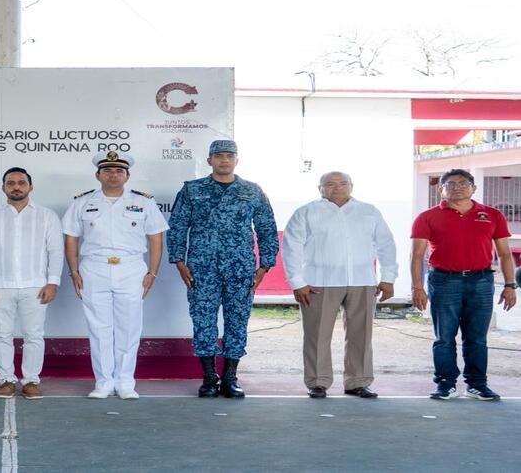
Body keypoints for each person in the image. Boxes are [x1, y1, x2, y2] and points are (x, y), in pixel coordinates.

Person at [167, 139, 278, 399]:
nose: (224, 160)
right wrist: (179, 261)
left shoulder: (252, 191)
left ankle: (230, 377)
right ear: (209, 160)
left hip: (240, 268)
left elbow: (266, 228)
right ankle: (208, 377)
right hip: (202, 268)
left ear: (237, 160)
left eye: (229, 156)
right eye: (218, 156)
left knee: (237, 320)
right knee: (203, 319)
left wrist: (265, 265)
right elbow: (178, 227)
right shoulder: (192, 190)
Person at [282, 171, 398, 399]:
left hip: (362, 281)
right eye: (330, 184)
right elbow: (291, 247)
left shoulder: (369, 211)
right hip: (319, 282)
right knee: (316, 334)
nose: (337, 187)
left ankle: (358, 382)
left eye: (343, 183)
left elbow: (386, 244)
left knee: (361, 334)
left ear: (351, 186)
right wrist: (297, 282)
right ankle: (317, 382)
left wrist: (388, 277)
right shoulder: (306, 212)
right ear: (320, 188)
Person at [63, 151, 168, 400]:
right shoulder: (82, 202)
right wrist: (74, 271)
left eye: (119, 171)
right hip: (94, 268)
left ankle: (125, 382)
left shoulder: (144, 202)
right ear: (97, 175)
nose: (114, 174)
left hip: (131, 268)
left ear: (127, 175)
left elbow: (155, 239)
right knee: (99, 328)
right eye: (108, 170)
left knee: (129, 327)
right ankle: (103, 382)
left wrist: (152, 272)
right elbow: (71, 239)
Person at [411, 168, 517, 401]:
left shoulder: (492, 215)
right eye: (450, 183)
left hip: (481, 281)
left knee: (477, 338)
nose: (457, 187)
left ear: (473, 187)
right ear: (441, 189)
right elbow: (417, 256)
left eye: (463, 183)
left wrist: (510, 285)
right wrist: (417, 287)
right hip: (443, 281)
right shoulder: (427, 217)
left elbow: (505, 254)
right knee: (444, 338)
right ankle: (445, 384)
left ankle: (477, 384)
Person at [0, 167, 64, 400]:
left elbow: (55, 251)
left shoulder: (47, 216)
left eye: (21, 183)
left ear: (30, 187)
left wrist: (52, 282)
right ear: (3, 188)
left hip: (36, 285)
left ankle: (31, 380)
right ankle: (6, 380)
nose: (16, 187)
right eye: (10, 183)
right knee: (2, 334)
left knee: (34, 334)